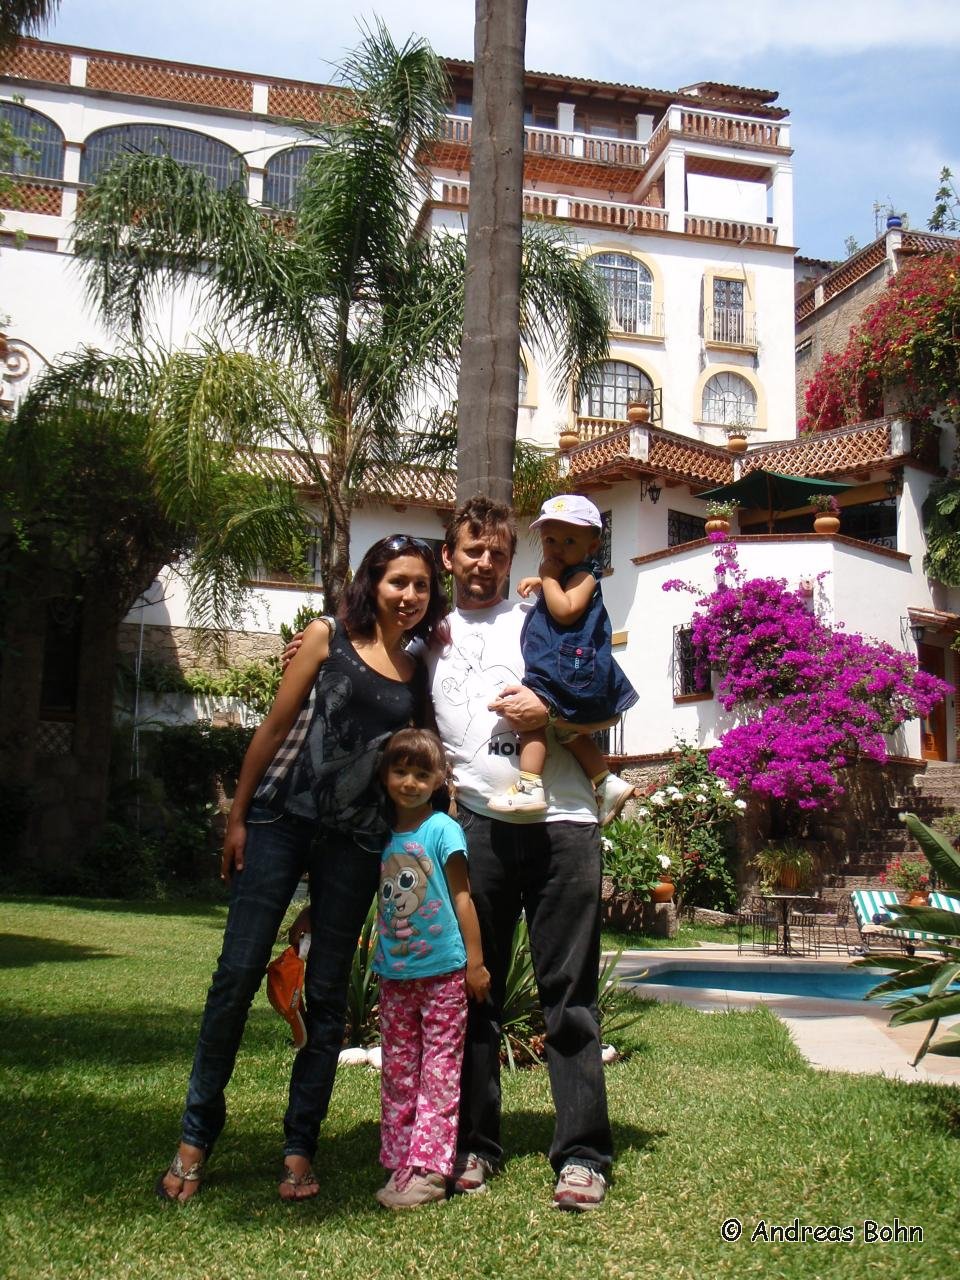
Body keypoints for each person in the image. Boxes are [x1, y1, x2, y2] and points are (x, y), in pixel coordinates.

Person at [156, 533, 449, 1204]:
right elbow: (272, 728)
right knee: (236, 976)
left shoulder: (417, 669)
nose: (408, 594)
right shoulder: (326, 637)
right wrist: (237, 817)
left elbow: (417, 757)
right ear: (373, 582)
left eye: (421, 585)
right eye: (397, 581)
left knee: (326, 997)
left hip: (356, 844)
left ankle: (299, 1147)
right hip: (280, 822)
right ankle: (195, 1136)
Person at [432, 495, 614, 1211]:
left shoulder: (540, 614)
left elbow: (605, 696)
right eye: (471, 550)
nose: (484, 563)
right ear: (449, 557)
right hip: (478, 828)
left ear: (513, 559)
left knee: (569, 994)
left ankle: (583, 1155)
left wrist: (553, 713)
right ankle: (475, 1144)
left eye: (497, 552)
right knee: (473, 990)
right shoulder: (427, 636)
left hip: (563, 822)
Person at [372, 728, 490, 1210]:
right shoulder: (379, 832)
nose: (410, 782)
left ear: (440, 778)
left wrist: (475, 964)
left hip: (443, 973)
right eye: (400, 771)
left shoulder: (443, 830)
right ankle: (401, 1162)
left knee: (439, 1070)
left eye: (422, 774)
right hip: (394, 974)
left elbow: (462, 898)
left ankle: (430, 1170)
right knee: (399, 1072)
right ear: (384, 774)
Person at [487, 493, 638, 823]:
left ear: (592, 545)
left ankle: (529, 786)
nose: (556, 549)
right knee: (568, 732)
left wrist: (548, 579)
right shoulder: (569, 575)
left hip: (564, 669)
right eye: (550, 540)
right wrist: (543, 581)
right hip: (568, 666)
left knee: (531, 724)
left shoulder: (586, 576)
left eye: (569, 541)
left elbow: (566, 610)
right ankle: (606, 781)